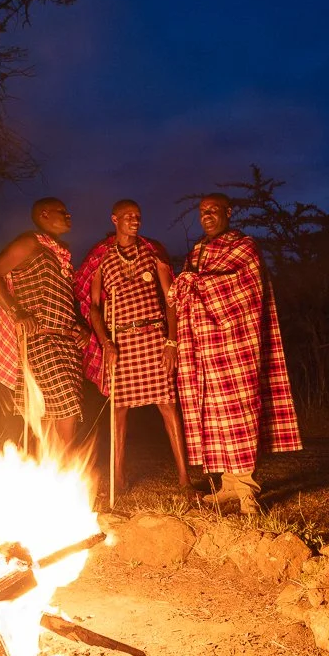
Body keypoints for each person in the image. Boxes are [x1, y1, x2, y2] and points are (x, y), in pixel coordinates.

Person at [167, 194, 302, 514]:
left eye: (213, 210)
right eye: (202, 212)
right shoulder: (197, 252)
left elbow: (242, 290)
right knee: (213, 413)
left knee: (239, 411)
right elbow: (182, 296)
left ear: (229, 212)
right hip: (203, 346)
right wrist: (188, 282)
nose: (207, 216)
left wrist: (190, 281)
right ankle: (228, 485)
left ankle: (246, 490)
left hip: (236, 344)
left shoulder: (244, 247)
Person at [75, 200, 192, 495]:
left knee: (167, 405)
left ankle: (184, 479)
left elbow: (170, 300)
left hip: (153, 336)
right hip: (120, 340)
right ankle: (119, 479)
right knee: (118, 409)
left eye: (138, 216)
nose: (134, 220)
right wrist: (105, 343)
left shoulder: (153, 253)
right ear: (114, 219)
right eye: (128, 216)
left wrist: (171, 341)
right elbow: (94, 308)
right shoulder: (102, 257)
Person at [0, 197, 86, 449]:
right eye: (62, 211)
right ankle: (67, 470)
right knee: (66, 405)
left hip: (65, 341)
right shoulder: (30, 243)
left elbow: (59, 298)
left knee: (54, 410)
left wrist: (78, 327)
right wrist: (16, 312)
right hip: (40, 338)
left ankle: (52, 471)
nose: (69, 215)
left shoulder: (60, 253)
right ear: (44, 214)